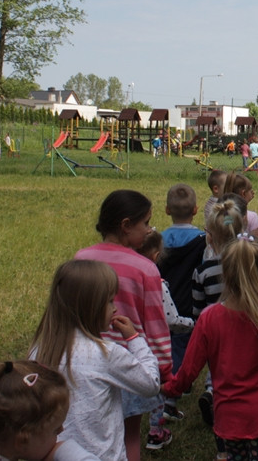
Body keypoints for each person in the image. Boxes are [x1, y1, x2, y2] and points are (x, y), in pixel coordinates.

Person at [162, 238, 258, 461]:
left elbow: (189, 370)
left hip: (226, 418)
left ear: (225, 273)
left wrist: (169, 387)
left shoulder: (208, 319)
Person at [74, 190, 171, 460]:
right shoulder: (146, 268)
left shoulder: (81, 258)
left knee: (90, 429)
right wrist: (163, 368)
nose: (149, 230)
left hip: (85, 364)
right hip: (131, 365)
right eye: (146, 224)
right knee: (130, 435)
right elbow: (155, 324)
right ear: (126, 225)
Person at [30, 260, 160, 461]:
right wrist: (135, 340)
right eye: (109, 301)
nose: (114, 308)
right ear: (90, 307)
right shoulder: (106, 354)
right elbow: (151, 384)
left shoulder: (38, 352)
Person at [135, 231, 194, 450]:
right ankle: (155, 433)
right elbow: (171, 319)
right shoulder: (158, 285)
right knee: (158, 392)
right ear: (157, 256)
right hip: (154, 349)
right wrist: (192, 323)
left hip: (132, 346)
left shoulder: (127, 279)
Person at [192, 199, 243, 432]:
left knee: (217, 363)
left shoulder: (203, 271)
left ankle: (214, 392)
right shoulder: (249, 264)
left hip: (214, 328)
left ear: (209, 236)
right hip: (244, 324)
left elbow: (197, 308)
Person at [159, 183, 207, 425]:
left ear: (167, 210)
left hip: (162, 303)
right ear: (196, 210)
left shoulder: (158, 240)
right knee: (182, 349)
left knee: (167, 347)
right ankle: (169, 400)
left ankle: (176, 384)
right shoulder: (202, 240)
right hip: (190, 302)